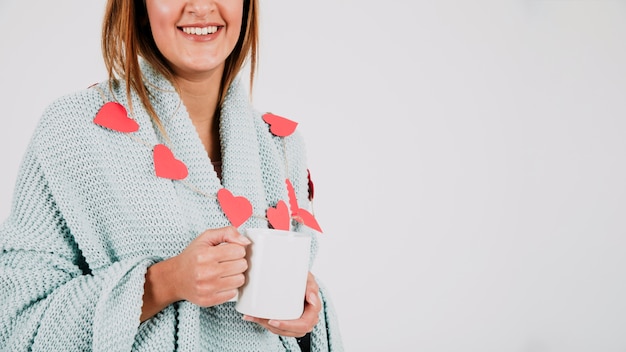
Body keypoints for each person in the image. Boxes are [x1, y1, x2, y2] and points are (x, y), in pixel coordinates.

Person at [0, 0, 343, 351]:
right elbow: (15, 322)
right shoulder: (72, 131)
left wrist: (305, 314)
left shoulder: (281, 146)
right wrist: (164, 282)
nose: (200, 7)